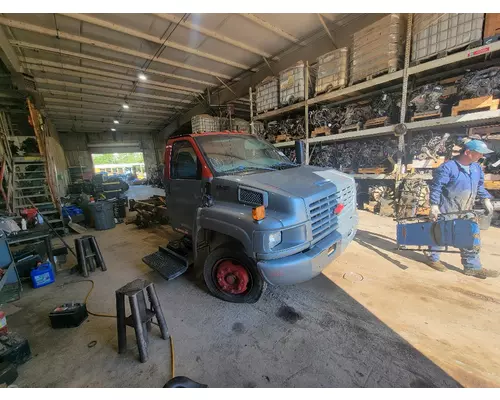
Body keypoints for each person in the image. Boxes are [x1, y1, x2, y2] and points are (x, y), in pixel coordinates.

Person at [426, 139, 497, 279]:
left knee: (471, 236)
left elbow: (479, 187)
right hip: (447, 207)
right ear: (468, 152)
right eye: (480, 153)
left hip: (466, 208)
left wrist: (486, 199)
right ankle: (433, 258)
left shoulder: (476, 168)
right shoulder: (448, 167)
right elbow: (436, 187)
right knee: (440, 234)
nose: (482, 156)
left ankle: (472, 267)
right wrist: (434, 205)